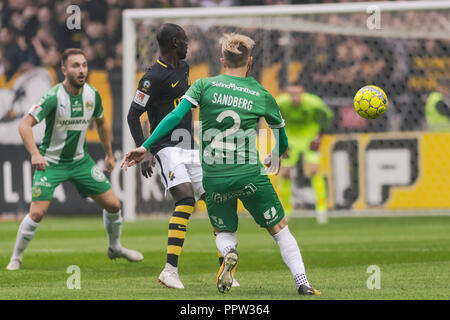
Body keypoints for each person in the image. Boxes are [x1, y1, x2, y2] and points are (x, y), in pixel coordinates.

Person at [122, 33, 321, 295]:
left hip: (214, 176)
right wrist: (274, 155)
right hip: (249, 175)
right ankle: (302, 282)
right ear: (249, 62)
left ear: (221, 60)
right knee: (279, 229)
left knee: (222, 228)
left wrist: (145, 146)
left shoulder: (203, 86)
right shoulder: (261, 93)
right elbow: (282, 142)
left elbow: (174, 116)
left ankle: (229, 252)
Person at [6, 48, 143, 271]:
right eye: (75, 66)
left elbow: (102, 123)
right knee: (37, 213)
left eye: (84, 65)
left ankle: (115, 247)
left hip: (81, 162)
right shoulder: (53, 97)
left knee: (113, 204)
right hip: (51, 162)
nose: (81, 70)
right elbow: (24, 125)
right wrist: (34, 154)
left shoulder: (92, 94)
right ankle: (16, 257)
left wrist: (109, 155)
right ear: (64, 70)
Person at [127, 23, 237, 290]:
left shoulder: (184, 68)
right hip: (166, 148)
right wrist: (145, 151)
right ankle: (169, 271)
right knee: (186, 199)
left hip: (190, 146)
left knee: (214, 202)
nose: (190, 45)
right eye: (186, 40)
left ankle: (225, 269)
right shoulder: (152, 78)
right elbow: (133, 115)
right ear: (175, 42)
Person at [276, 83, 333, 224]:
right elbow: (272, 119)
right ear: (288, 94)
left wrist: (319, 137)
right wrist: (281, 141)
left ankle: (321, 208)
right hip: (291, 138)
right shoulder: (280, 103)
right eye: (291, 94)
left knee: (314, 170)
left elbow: (328, 117)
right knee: (285, 172)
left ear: (303, 92)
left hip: (310, 136)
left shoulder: (314, 103)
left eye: (297, 94)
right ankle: (287, 209)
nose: (294, 98)